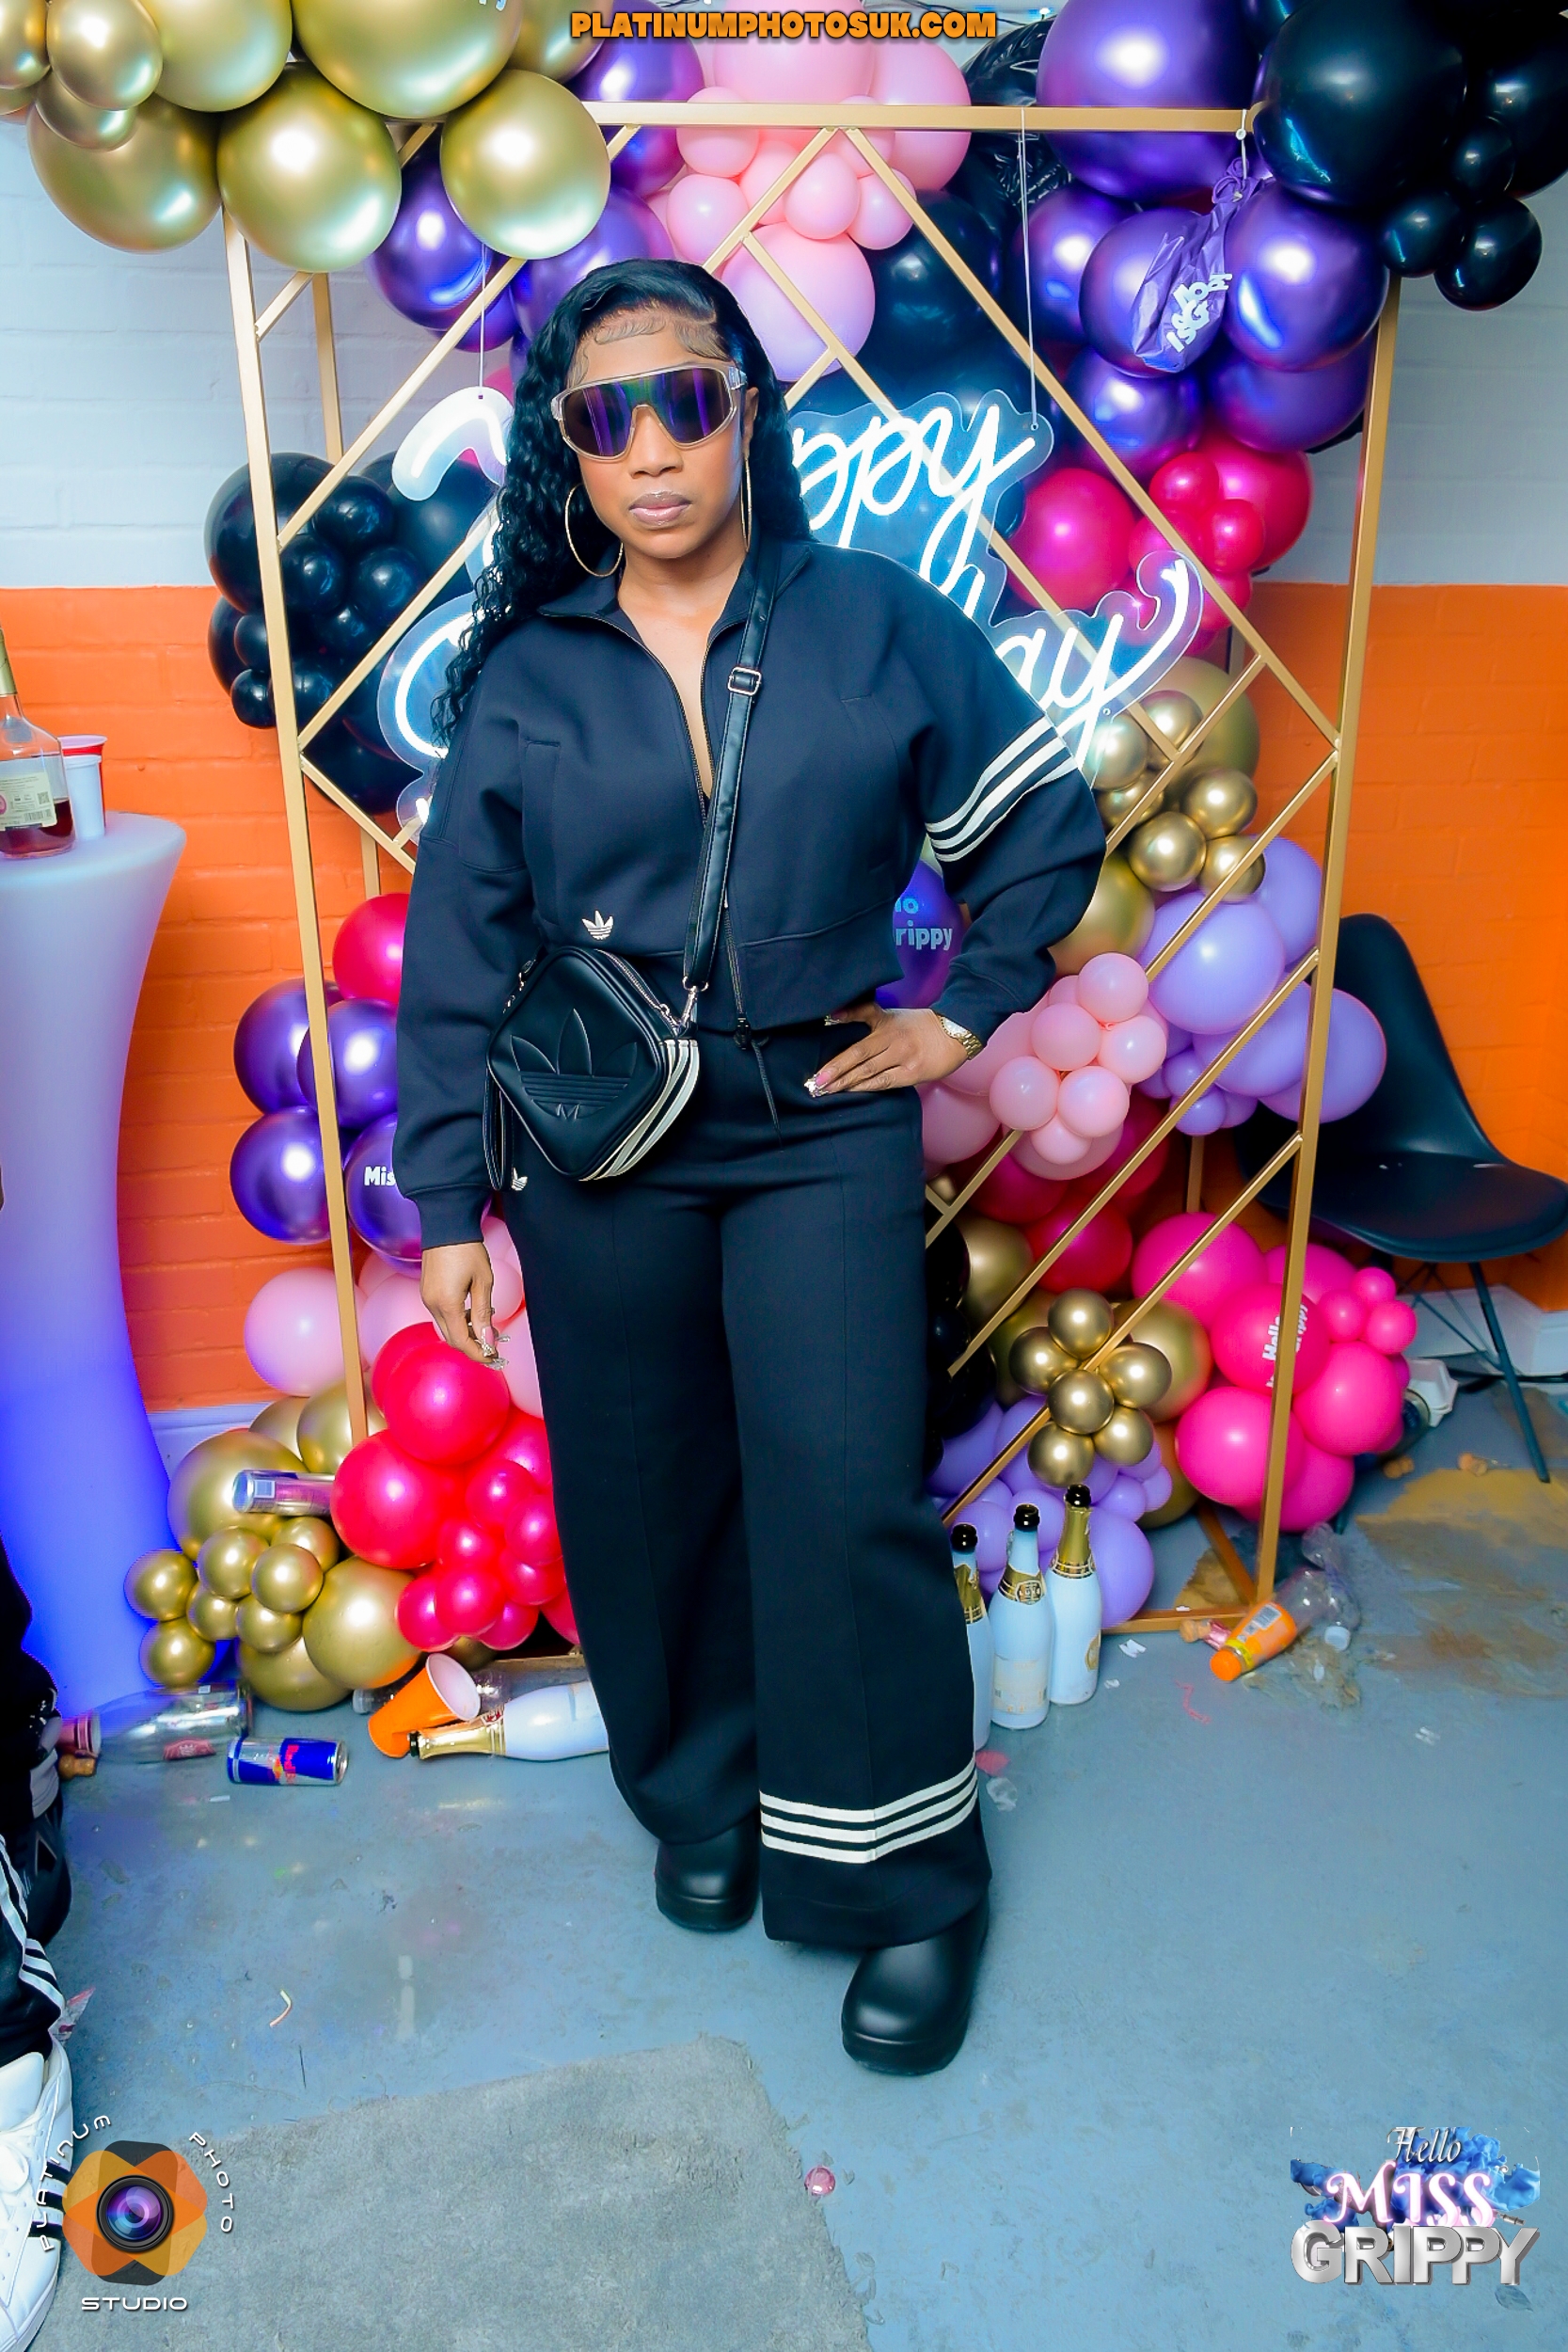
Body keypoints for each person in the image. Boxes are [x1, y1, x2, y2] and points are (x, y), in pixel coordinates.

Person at [395, 258, 1101, 2074]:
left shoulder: (870, 617)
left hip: (819, 1121)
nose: (650, 449)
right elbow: (461, 950)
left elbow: (1044, 820)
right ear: (568, 452)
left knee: (843, 1487)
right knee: (643, 1492)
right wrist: (449, 1201)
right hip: (600, 1140)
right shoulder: (534, 672)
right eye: (604, 417)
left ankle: (908, 1885)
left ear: (744, 414)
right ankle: (703, 1795)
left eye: (685, 401)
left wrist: (964, 1014)